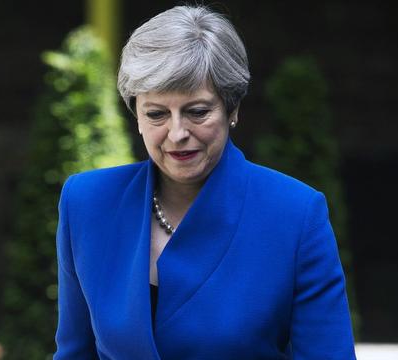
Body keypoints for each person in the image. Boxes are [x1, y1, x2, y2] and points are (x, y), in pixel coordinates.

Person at [54, 5, 356, 359]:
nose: (178, 133)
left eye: (197, 111)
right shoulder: (86, 202)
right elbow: (74, 352)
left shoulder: (295, 214)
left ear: (233, 110)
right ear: (135, 114)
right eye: (156, 114)